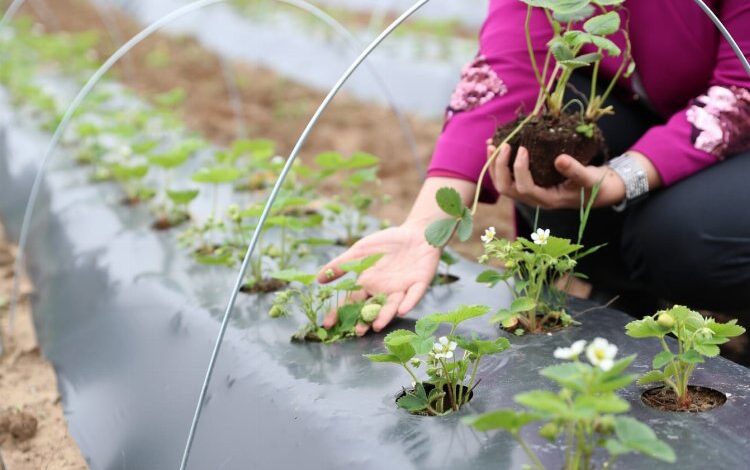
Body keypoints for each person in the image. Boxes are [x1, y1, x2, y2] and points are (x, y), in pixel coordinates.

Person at [318, 0, 750, 336]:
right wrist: (423, 228)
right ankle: (632, 305)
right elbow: (506, 71)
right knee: (546, 128)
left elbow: (742, 85)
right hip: (667, 118)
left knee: (682, 236)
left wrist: (625, 177)